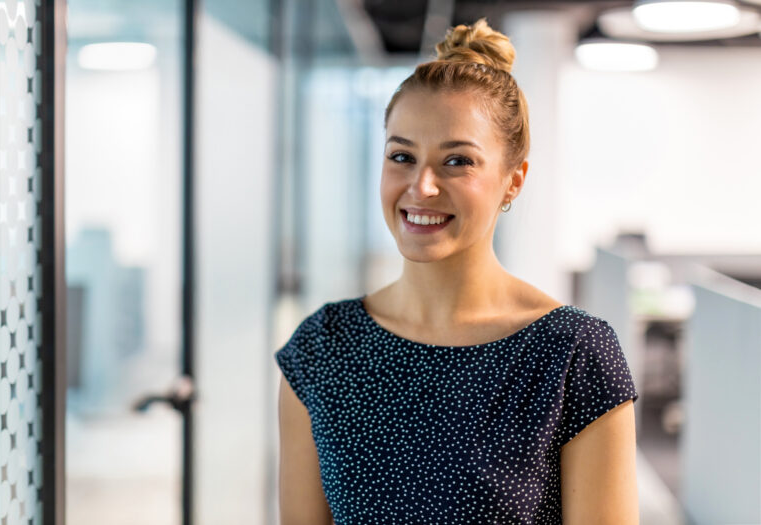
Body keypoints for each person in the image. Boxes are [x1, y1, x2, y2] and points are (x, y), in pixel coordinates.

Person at [274, 17, 639, 525]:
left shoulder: (573, 354)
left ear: (513, 181)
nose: (420, 187)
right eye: (401, 156)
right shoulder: (322, 349)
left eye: (457, 161)